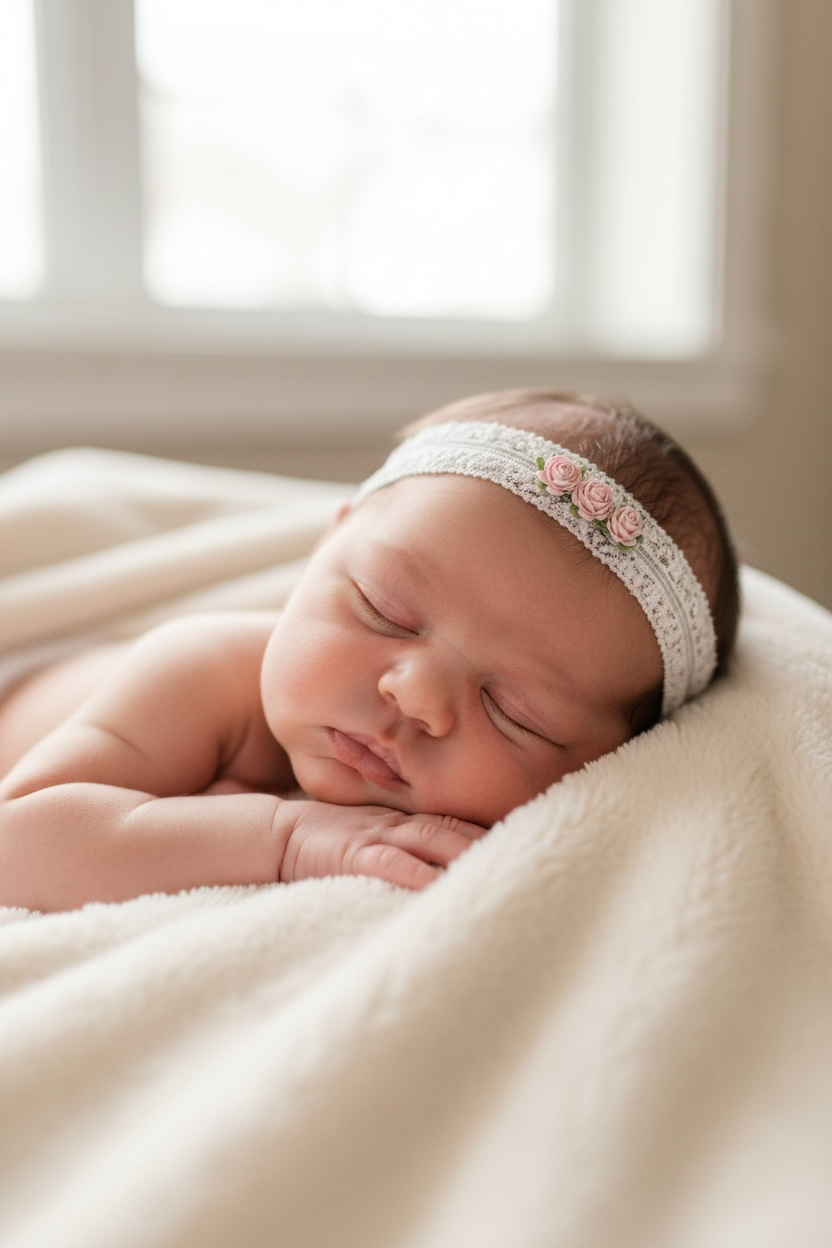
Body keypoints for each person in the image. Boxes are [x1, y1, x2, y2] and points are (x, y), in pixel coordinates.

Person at [0, 391, 739, 912]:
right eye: (384, 610)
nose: (415, 696)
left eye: (516, 711)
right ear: (330, 543)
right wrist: (285, 837)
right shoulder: (203, 669)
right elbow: (19, 842)